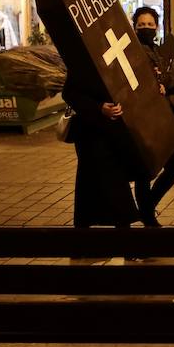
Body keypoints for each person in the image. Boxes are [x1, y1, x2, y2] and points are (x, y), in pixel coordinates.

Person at [62, 60, 141, 230]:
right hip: (90, 133)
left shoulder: (114, 58)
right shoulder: (82, 62)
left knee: (113, 183)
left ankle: (121, 233)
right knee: (91, 182)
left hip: (114, 132)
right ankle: (85, 234)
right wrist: (99, 108)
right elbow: (69, 93)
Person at [130, 6, 174, 227]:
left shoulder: (157, 51)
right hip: (142, 120)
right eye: (141, 25)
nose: (146, 28)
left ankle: (146, 210)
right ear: (134, 27)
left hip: (162, 119)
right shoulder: (131, 53)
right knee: (145, 172)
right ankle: (148, 218)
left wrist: (163, 83)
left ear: (157, 26)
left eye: (150, 25)